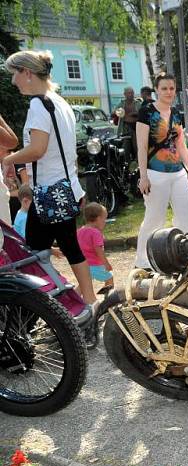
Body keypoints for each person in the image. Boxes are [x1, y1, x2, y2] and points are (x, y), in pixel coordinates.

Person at [1, 50, 96, 304]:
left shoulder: (37, 104)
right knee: (68, 247)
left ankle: (53, 305)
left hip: (50, 193)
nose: (13, 81)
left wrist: (8, 159)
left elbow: (38, 148)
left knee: (31, 254)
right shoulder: (58, 101)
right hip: (67, 188)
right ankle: (86, 301)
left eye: (15, 74)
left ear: (28, 73)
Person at [134, 72, 188, 270]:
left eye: (172, 88)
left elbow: (181, 145)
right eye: (164, 88)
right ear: (156, 90)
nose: (169, 92)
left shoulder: (176, 113)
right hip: (155, 174)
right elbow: (142, 146)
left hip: (178, 173)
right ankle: (144, 261)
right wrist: (143, 176)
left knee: (185, 217)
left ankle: (186, 256)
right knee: (155, 218)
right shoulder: (146, 112)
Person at [77, 202, 113, 291]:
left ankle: (73, 300)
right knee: (109, 279)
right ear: (98, 218)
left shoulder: (80, 231)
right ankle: (108, 299)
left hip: (83, 265)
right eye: (104, 219)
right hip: (95, 265)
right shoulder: (95, 233)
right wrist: (106, 264)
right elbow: (98, 250)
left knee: (82, 285)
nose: (105, 222)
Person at [115, 87, 140, 153]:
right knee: (126, 147)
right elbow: (114, 112)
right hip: (125, 127)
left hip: (136, 127)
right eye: (129, 93)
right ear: (125, 94)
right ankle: (127, 162)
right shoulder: (122, 103)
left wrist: (136, 113)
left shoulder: (137, 103)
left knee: (137, 146)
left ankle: (138, 161)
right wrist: (119, 112)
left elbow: (143, 114)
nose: (131, 94)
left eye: (132, 93)